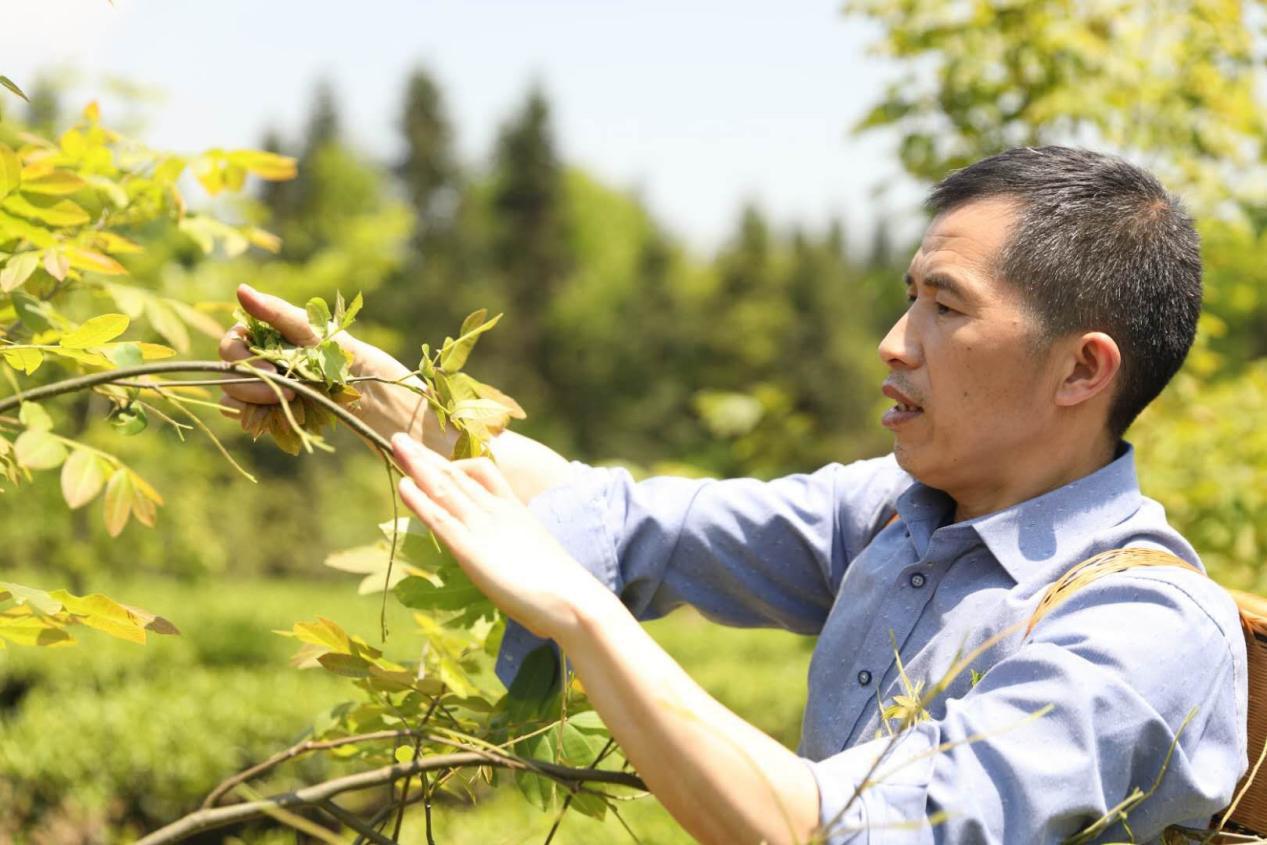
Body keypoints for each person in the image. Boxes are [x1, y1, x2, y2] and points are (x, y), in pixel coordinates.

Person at [219, 146, 1248, 844]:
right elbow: (620, 518)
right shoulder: (893, 512)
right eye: (906, 297)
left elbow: (822, 829)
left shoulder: (1140, 630)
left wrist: (575, 612)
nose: (894, 343)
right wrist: (357, 388)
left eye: (944, 306)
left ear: (1081, 371)